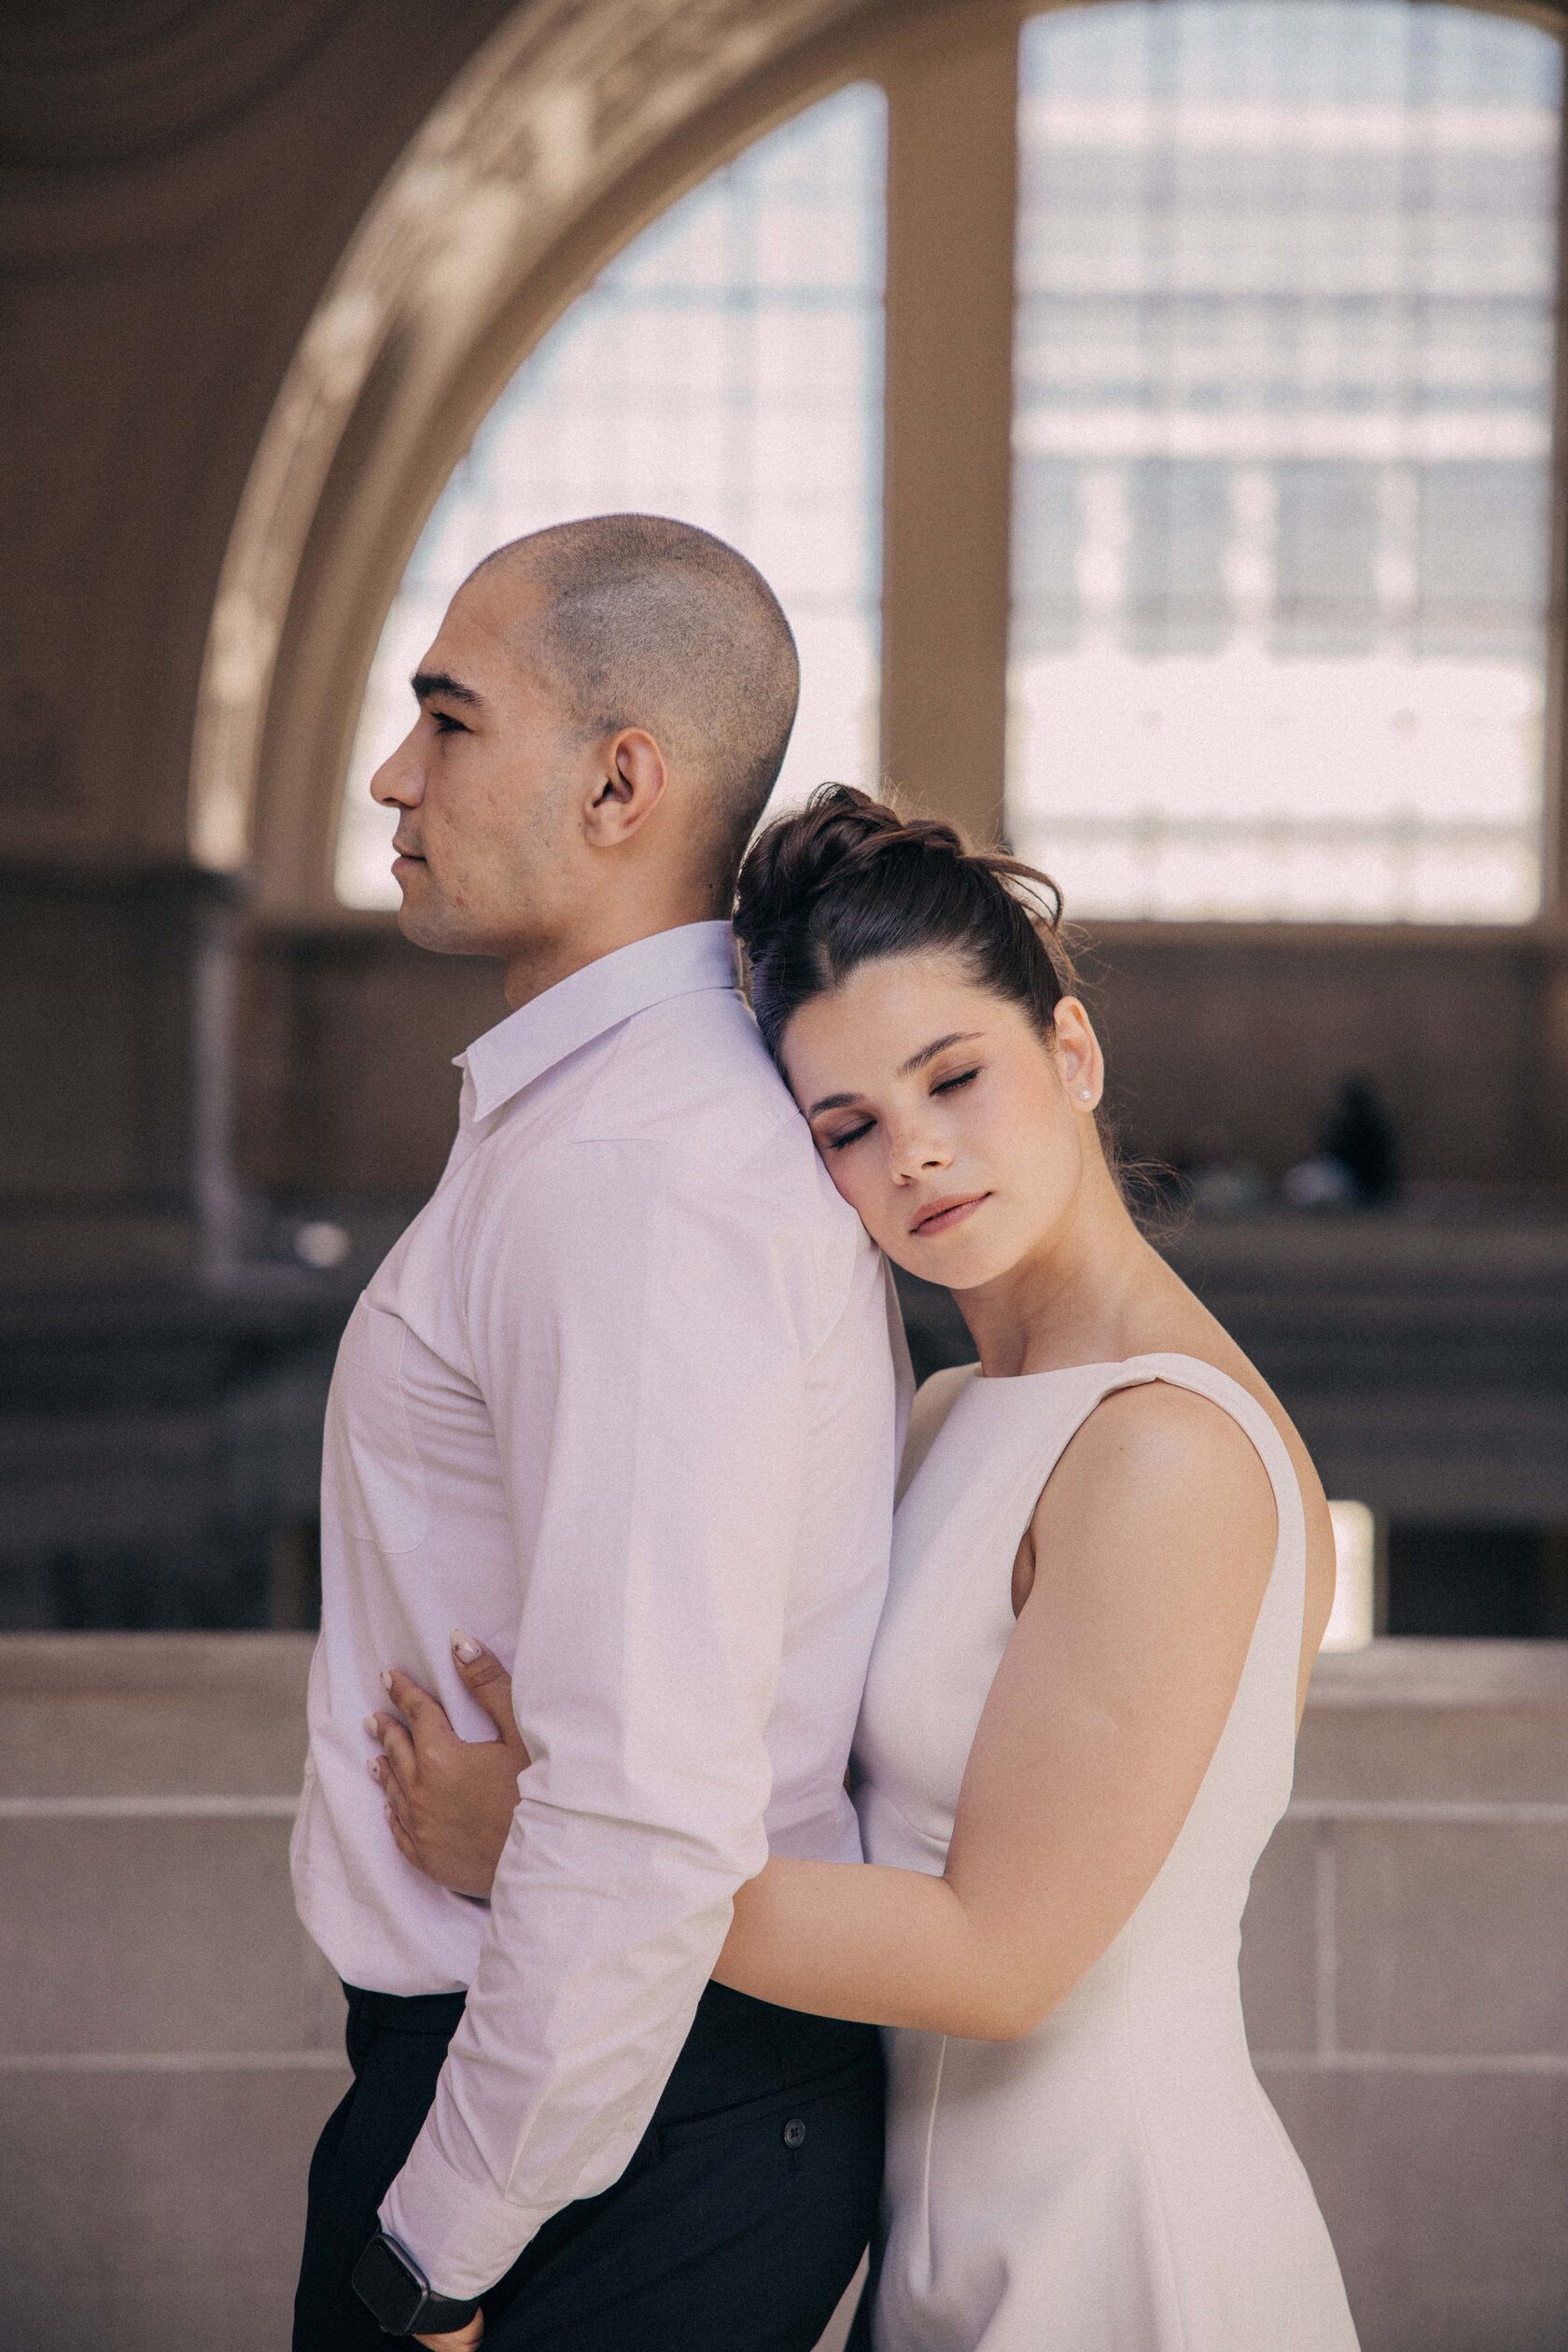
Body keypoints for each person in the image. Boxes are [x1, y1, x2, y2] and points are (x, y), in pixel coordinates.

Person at [380, 784, 1361, 2350]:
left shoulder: (1165, 1449)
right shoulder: (952, 1412)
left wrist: (560, 1852)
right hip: (931, 2245)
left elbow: (998, 1960)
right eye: (846, 1126)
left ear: (1073, 1054)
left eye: (953, 1077)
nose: (915, 1155)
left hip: (1122, 2254)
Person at [291, 524, 905, 2351]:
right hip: (604, 2108)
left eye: (449, 720)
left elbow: (644, 1802)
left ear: (622, 780)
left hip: (597, 2150)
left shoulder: (642, 1172)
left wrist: (438, 2249)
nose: (394, 774)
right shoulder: (606, 1128)